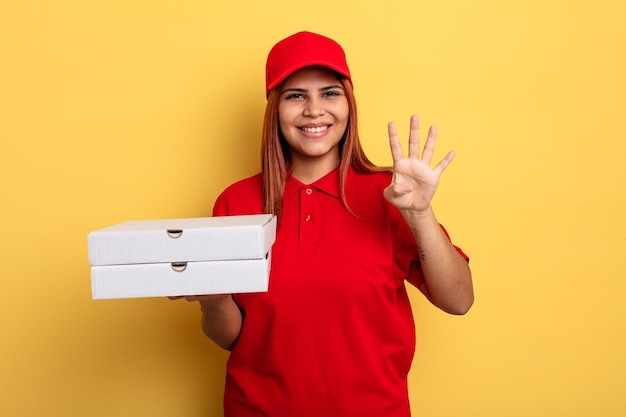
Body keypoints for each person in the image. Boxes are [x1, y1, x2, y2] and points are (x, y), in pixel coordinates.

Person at [176, 31, 473, 417]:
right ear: (274, 109)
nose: (314, 109)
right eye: (296, 95)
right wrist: (213, 298)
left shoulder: (392, 195)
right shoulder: (235, 202)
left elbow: (459, 300)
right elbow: (233, 339)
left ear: (348, 103)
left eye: (330, 93)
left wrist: (419, 213)